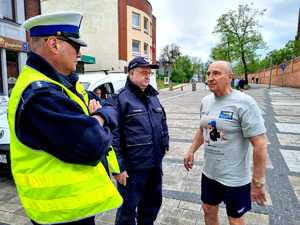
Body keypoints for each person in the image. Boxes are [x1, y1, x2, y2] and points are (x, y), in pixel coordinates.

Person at [8, 12, 122, 225]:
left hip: (74, 210)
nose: (79, 54)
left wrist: (97, 117)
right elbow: (93, 145)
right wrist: (99, 117)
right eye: (76, 46)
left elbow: (111, 107)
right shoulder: (40, 94)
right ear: (54, 44)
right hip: (59, 214)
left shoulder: (65, 83)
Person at [184, 60, 267, 225]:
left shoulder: (245, 103)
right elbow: (203, 129)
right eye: (208, 73)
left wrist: (257, 181)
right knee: (207, 211)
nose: (210, 78)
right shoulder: (206, 101)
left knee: (235, 221)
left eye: (216, 73)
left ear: (230, 77)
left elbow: (260, 143)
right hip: (209, 173)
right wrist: (191, 150)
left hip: (235, 178)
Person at [112, 56, 169, 225]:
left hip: (154, 166)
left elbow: (162, 122)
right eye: (143, 72)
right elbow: (113, 136)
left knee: (152, 205)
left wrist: (165, 143)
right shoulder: (121, 99)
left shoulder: (153, 96)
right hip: (132, 170)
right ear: (131, 74)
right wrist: (118, 168)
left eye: (149, 73)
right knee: (127, 210)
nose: (147, 76)